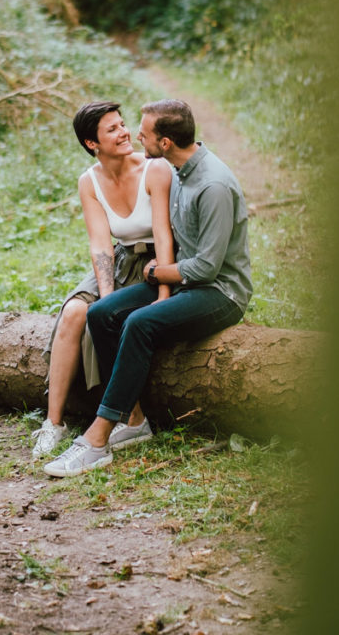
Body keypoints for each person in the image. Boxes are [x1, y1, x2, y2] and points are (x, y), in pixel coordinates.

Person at [43, 99, 252, 478]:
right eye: (122, 128)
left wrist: (159, 277)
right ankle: (133, 420)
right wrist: (159, 276)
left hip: (220, 292)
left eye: (143, 132)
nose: (135, 136)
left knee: (139, 323)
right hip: (184, 279)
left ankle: (97, 439)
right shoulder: (178, 171)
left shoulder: (213, 184)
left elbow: (206, 268)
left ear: (166, 142)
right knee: (101, 313)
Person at [32, 100, 174, 459]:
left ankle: (129, 417)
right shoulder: (89, 181)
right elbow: (101, 245)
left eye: (123, 125)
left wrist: (162, 287)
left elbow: (164, 234)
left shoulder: (153, 168)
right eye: (112, 129)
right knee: (75, 313)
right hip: (122, 260)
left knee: (112, 315)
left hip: (157, 262)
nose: (125, 133)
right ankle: (54, 424)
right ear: (91, 143)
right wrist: (107, 296)